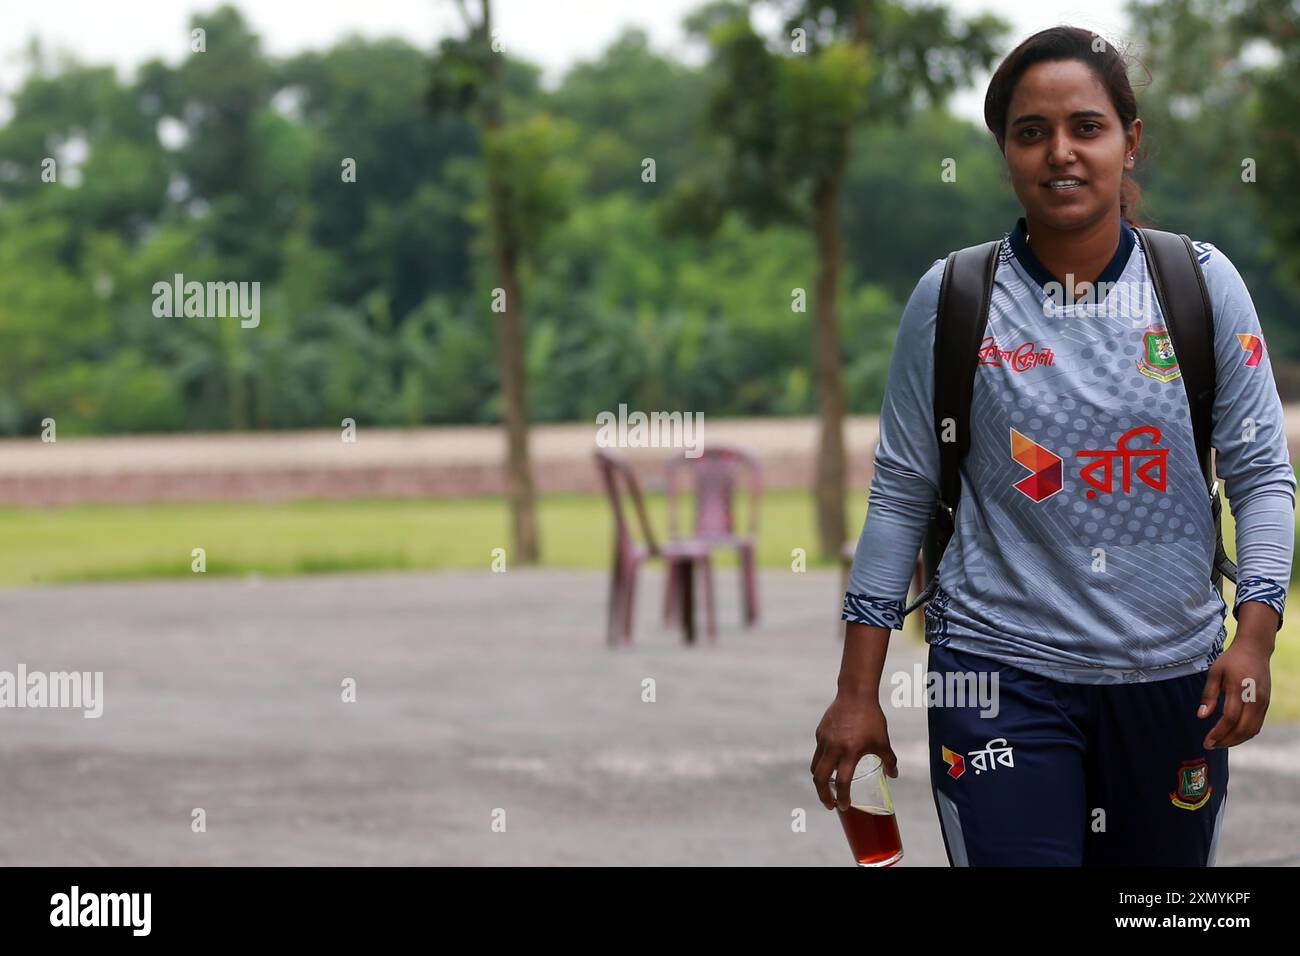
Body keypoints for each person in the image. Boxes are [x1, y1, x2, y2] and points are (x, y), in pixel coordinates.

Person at [809, 25, 1296, 866]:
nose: (1059, 152)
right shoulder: (955, 296)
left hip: (1172, 678)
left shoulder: (1202, 287)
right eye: (1031, 133)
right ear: (1004, 150)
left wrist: (1253, 638)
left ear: (1130, 142)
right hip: (996, 676)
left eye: (1087, 127)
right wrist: (858, 691)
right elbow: (900, 494)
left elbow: (1262, 478)